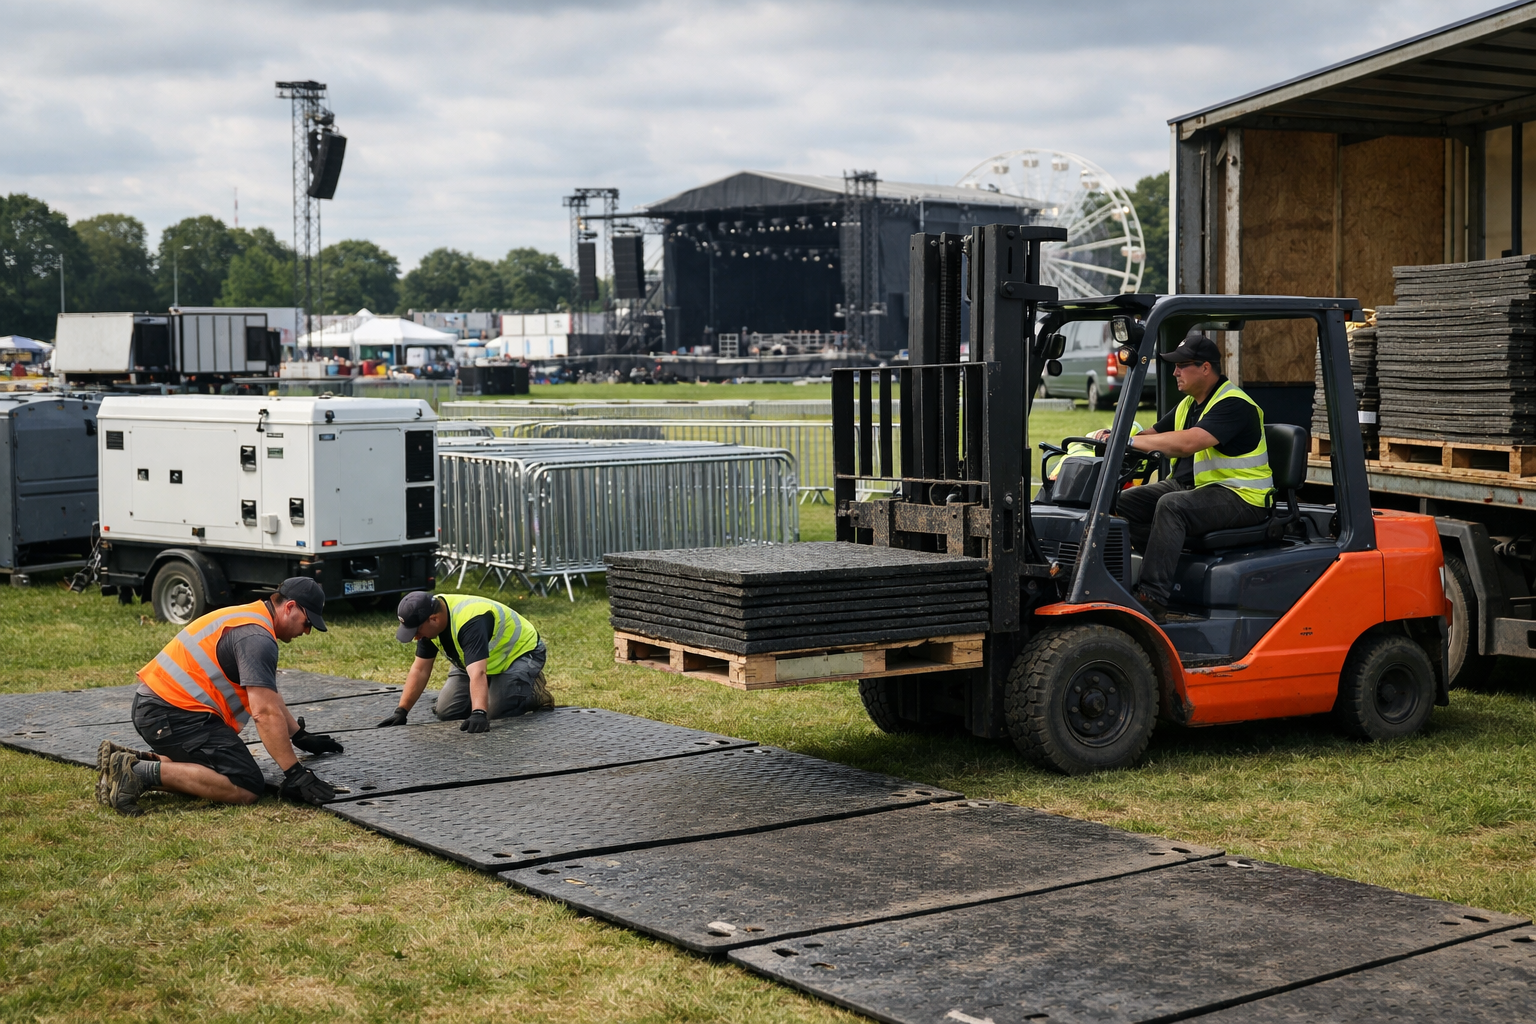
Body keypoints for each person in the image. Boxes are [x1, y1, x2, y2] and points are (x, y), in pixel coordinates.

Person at [96, 578, 344, 816]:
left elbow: (267, 695)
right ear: (290, 607)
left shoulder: (250, 617)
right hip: (171, 715)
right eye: (307, 622)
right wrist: (295, 772)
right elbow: (264, 713)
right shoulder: (257, 639)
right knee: (245, 784)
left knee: (217, 770)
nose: (308, 631)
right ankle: (136, 773)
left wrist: (298, 735)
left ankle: (129, 761)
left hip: (163, 710)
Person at [1098, 334, 1273, 622]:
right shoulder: (1189, 404)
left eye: (1182, 365)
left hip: (1242, 496)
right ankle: (1162, 571)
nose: (1175, 372)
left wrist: (1126, 443)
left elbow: (1187, 443)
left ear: (1205, 368)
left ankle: (1152, 597)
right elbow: (1150, 436)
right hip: (1201, 488)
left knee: (1171, 505)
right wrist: (1113, 437)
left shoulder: (1233, 404)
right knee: (1126, 501)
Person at [378, 592, 552, 732]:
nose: (415, 637)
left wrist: (479, 712)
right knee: (447, 712)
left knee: (495, 712)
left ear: (434, 619)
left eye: (416, 631)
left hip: (518, 655)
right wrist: (402, 711)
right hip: (473, 661)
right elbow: (420, 669)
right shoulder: (426, 621)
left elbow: (478, 673)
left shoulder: (471, 621)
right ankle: (493, 688)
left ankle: (528, 692)